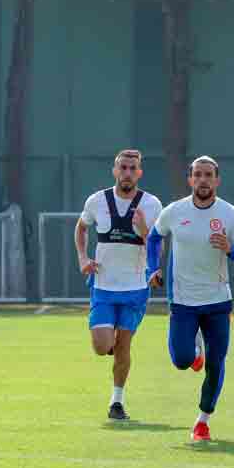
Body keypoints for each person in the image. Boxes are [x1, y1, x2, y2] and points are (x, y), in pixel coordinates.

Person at [146, 156, 234, 441]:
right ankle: (194, 352)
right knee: (181, 360)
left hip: (218, 301)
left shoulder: (230, 214)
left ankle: (203, 421)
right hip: (183, 301)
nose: (203, 180)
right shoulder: (174, 211)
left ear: (217, 180)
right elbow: (154, 237)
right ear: (190, 179)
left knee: (217, 364)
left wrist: (230, 249)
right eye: (198, 175)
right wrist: (153, 268)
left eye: (209, 175)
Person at [75, 149, 162, 420]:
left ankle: (117, 402)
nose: (127, 172)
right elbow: (81, 227)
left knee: (124, 347)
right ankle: (109, 343)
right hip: (103, 286)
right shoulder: (97, 201)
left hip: (135, 288)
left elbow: (157, 243)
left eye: (132, 168)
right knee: (102, 347)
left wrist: (145, 230)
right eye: (122, 167)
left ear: (139, 173)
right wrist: (83, 257)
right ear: (115, 171)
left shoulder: (151, 204)